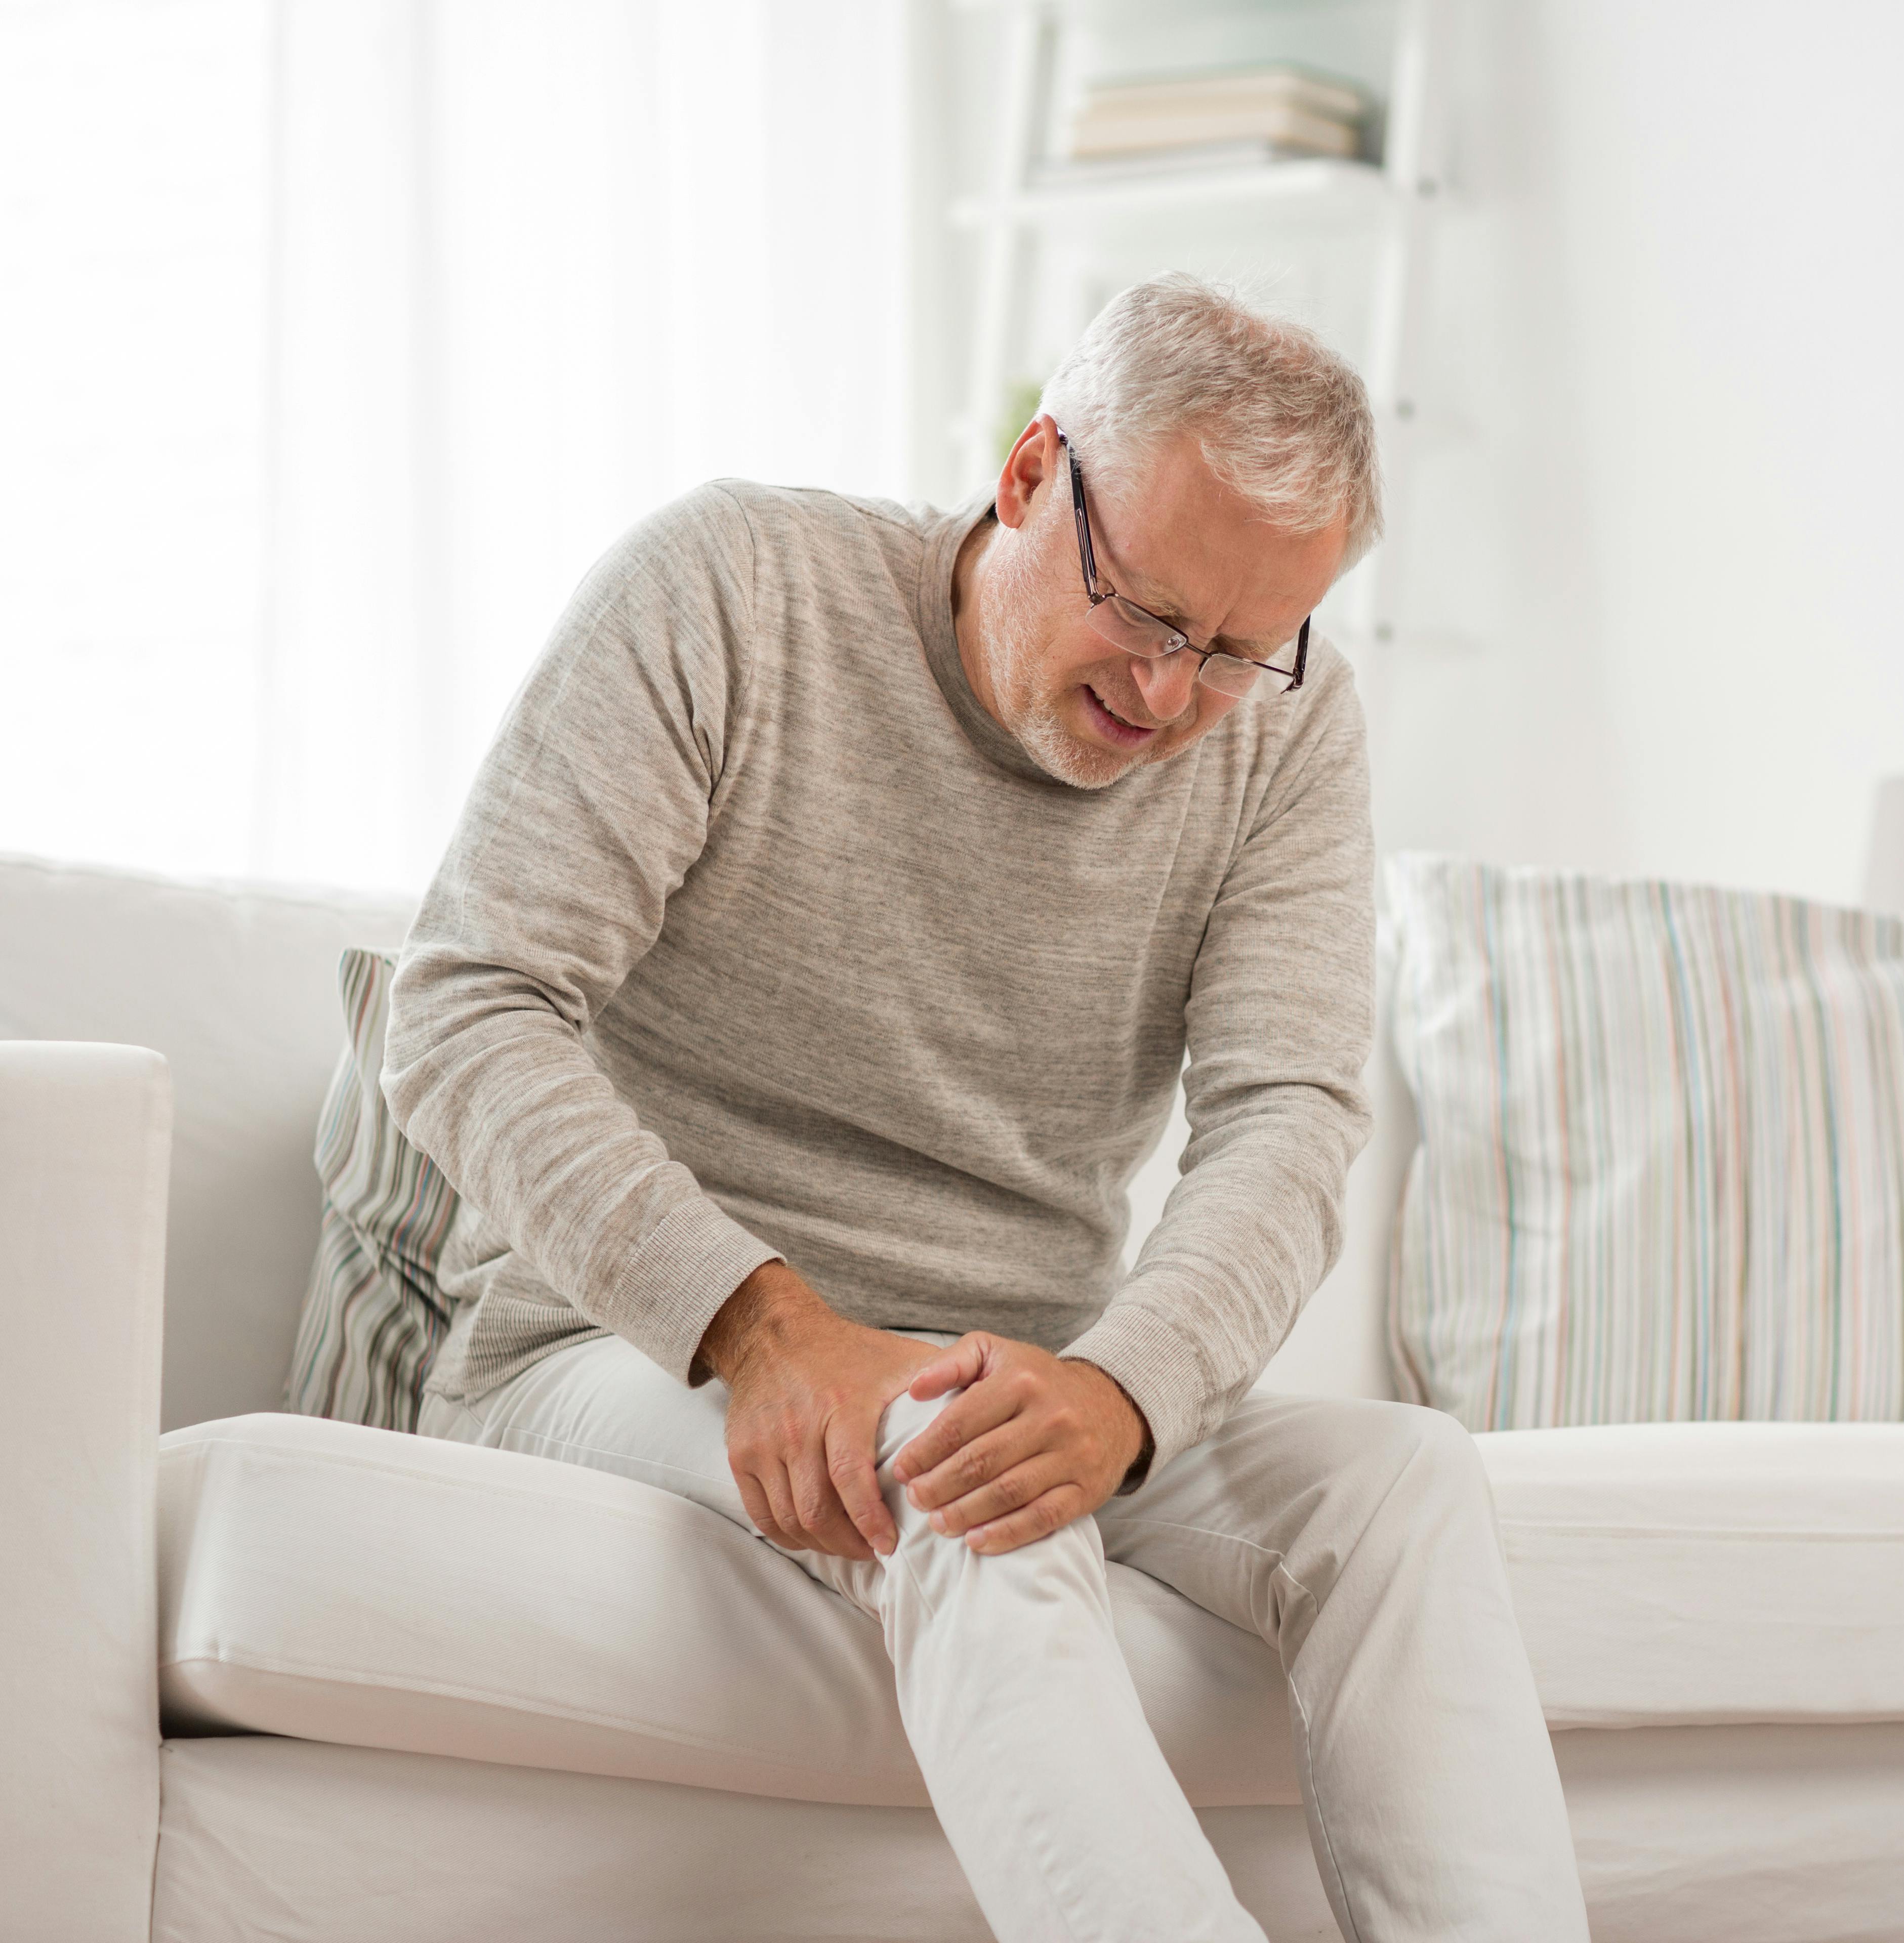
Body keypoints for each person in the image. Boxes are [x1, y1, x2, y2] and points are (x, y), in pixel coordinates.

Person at [387, 272, 1590, 1942]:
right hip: (624, 1352)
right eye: (1148, 614)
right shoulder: (735, 589)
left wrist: (1119, 1388)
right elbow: (467, 1007)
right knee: (959, 1479)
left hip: (1012, 1366)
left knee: (1402, 1481)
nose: (1171, 696)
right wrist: (764, 1327)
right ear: (1032, 474)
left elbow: (1289, 1117)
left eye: (1237, 653)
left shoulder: (1288, 730)